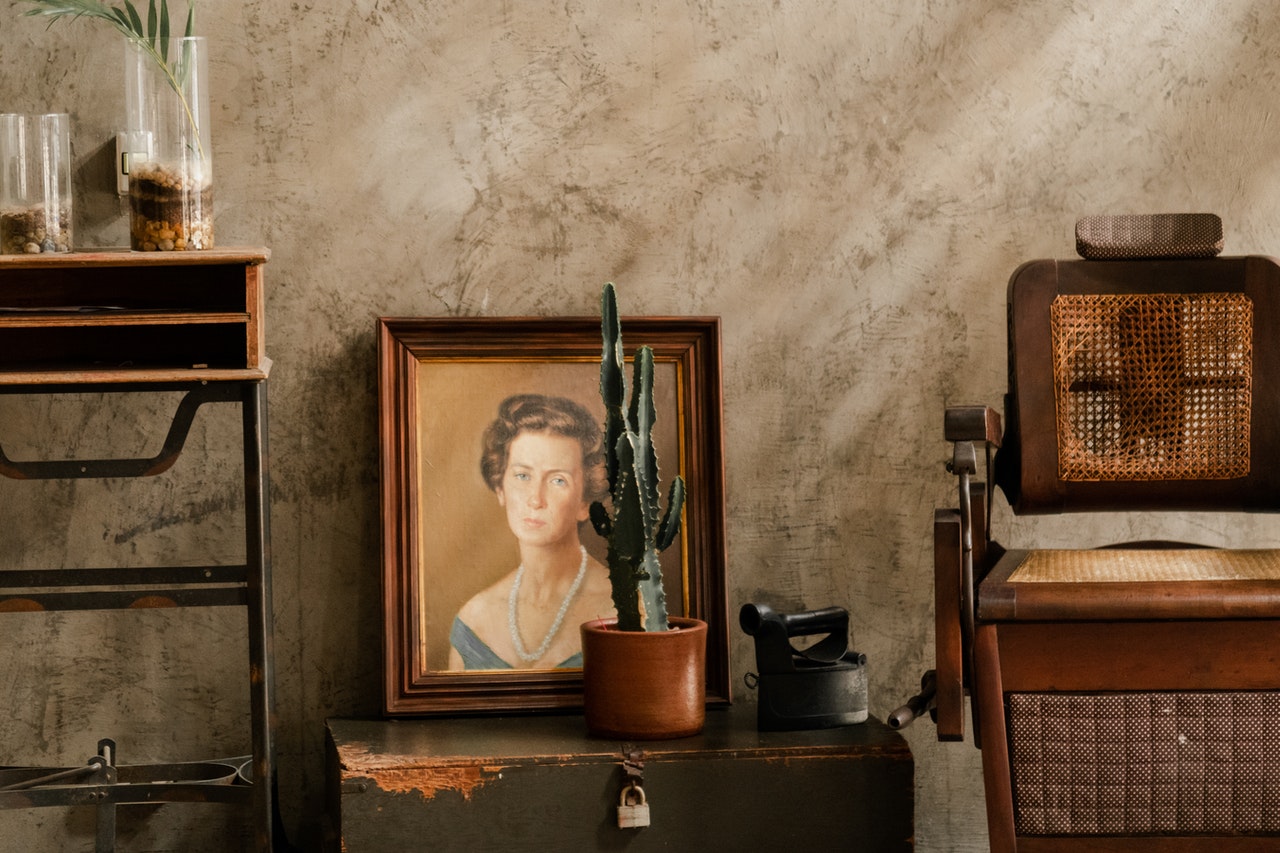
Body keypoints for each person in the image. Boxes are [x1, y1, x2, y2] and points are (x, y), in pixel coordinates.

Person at [448, 393, 616, 670]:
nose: (535, 499)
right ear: (501, 488)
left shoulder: (627, 609)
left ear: (585, 502)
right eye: (522, 476)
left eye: (558, 480)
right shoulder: (474, 619)